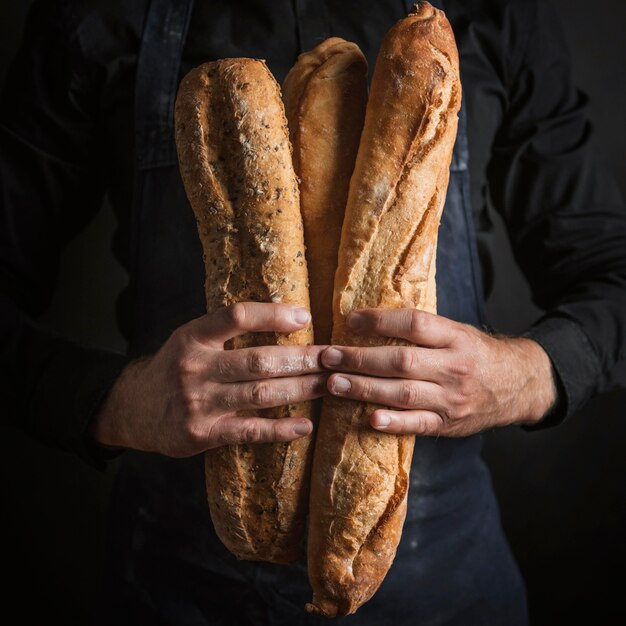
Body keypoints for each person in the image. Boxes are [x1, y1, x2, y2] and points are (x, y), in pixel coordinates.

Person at [1, 0, 624, 624]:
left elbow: (613, 277)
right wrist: (126, 403)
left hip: (444, 588)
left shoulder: (491, 17)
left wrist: (515, 377)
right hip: (173, 589)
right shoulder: (101, 17)